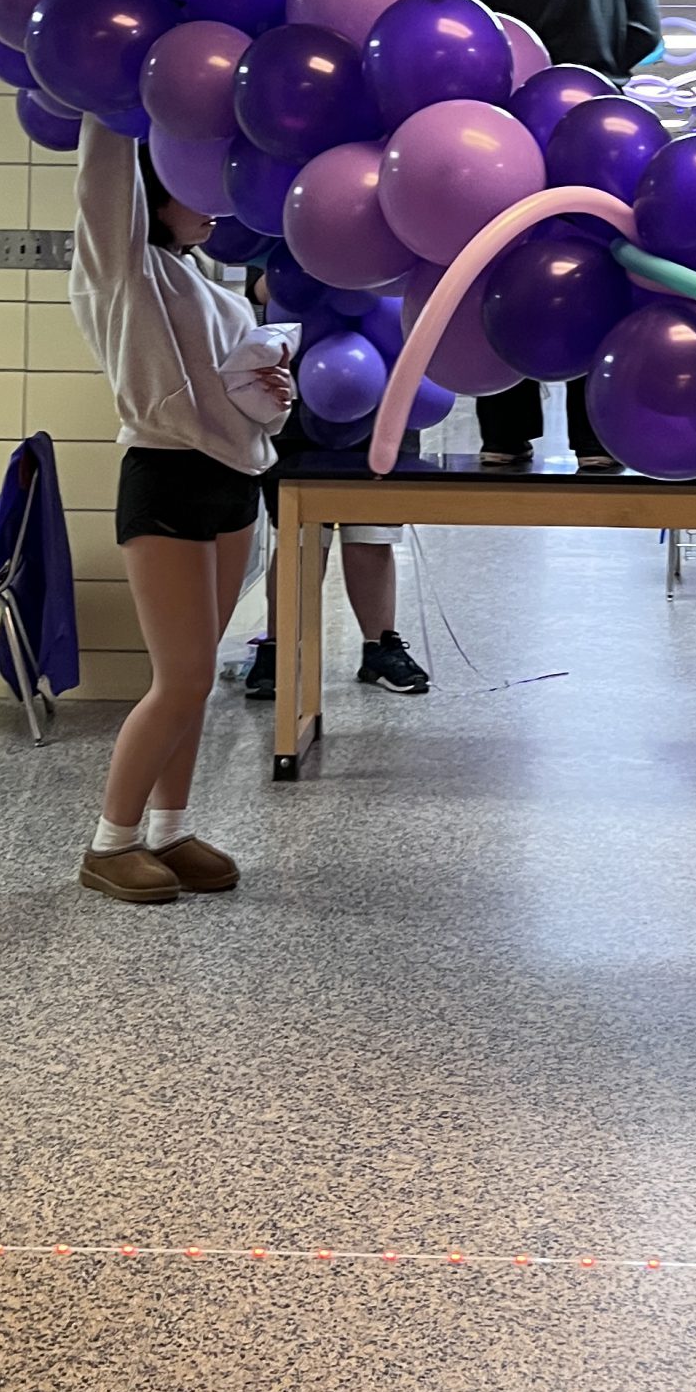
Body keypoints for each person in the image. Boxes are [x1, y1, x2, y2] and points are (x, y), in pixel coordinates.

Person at [69, 127, 293, 904]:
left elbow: (244, 405)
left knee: (196, 684)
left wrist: (271, 399)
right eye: (192, 182)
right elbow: (103, 176)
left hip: (233, 482)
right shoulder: (120, 270)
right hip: (165, 480)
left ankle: (169, 828)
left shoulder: (214, 285)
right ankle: (110, 842)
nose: (213, 203)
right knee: (183, 675)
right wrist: (117, 103)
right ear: (151, 190)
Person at [451, 0, 661, 468]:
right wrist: (600, 72)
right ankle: (594, 440)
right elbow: (647, 31)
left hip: (511, 121)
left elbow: (473, 30)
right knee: (594, 259)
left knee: (504, 259)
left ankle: (504, 434)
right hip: (599, 120)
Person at [237, 272, 431, 701]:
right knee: (300, 530)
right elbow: (264, 289)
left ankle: (380, 646)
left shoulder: (395, 223)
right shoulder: (283, 219)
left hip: (382, 380)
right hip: (303, 383)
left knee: (372, 530)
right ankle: (280, 645)